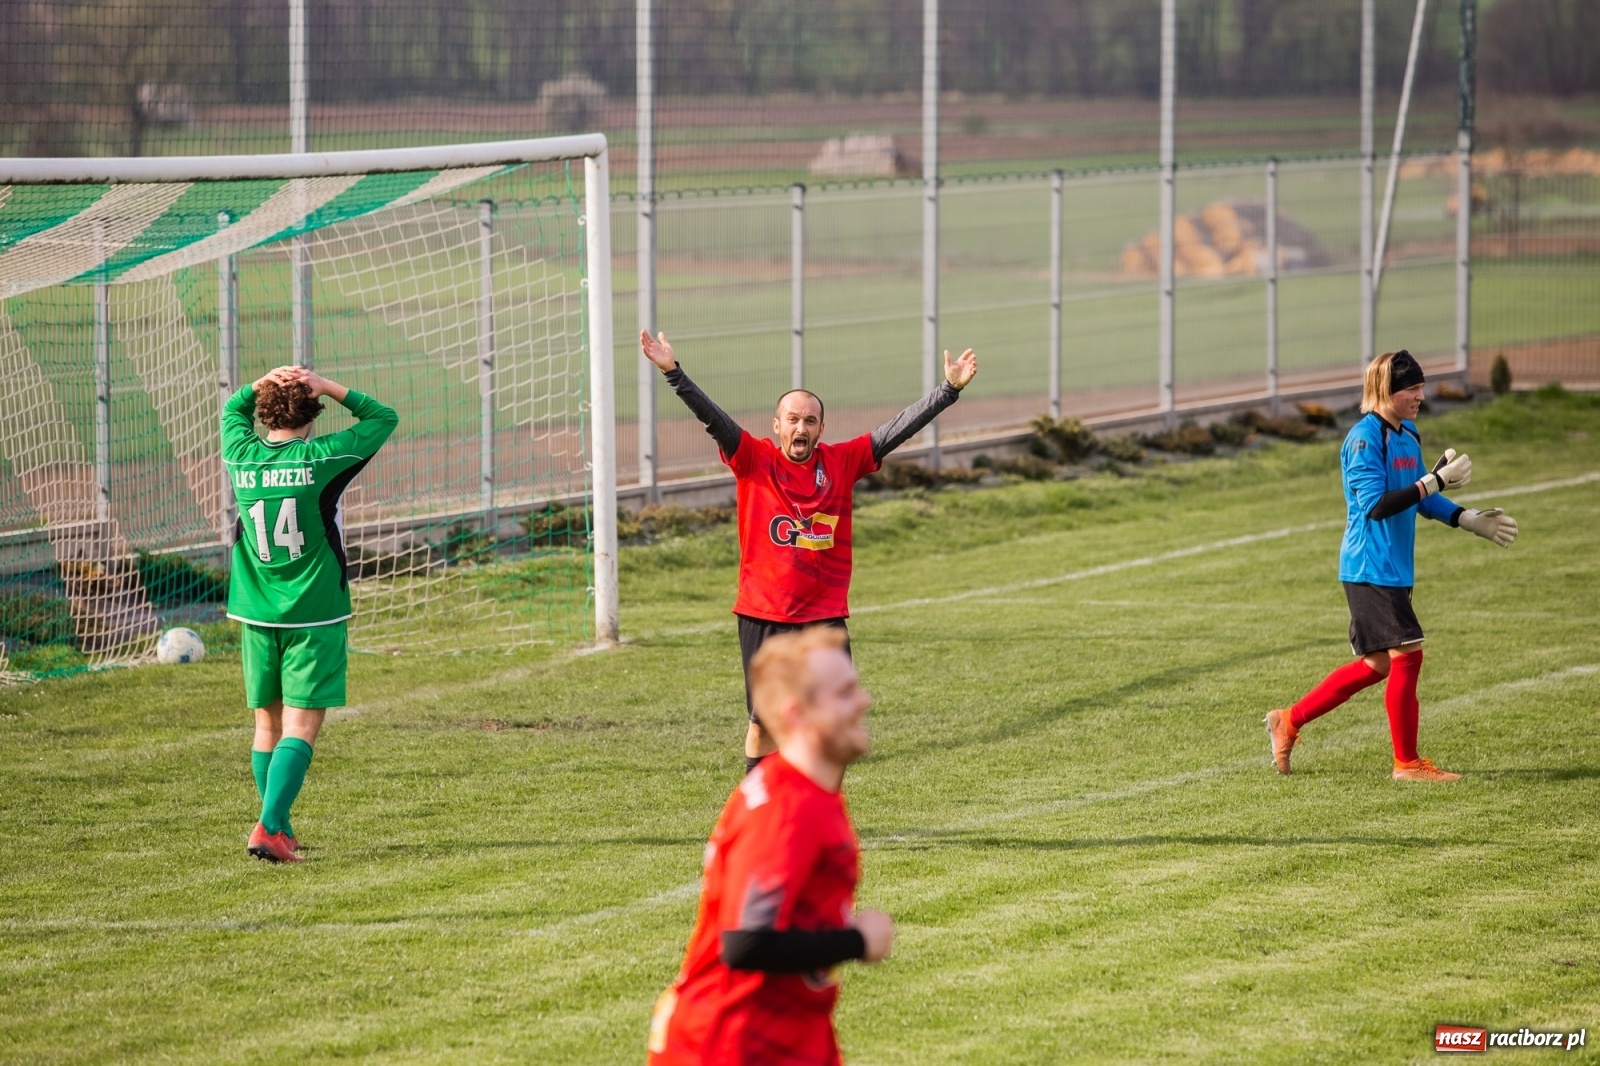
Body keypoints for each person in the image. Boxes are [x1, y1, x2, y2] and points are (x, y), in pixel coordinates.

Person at [640, 329, 978, 772]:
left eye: (810, 421)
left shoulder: (842, 462)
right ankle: (759, 809)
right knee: (763, 723)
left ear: (822, 428)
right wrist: (673, 373)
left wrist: (947, 390)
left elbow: (895, 431)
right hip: (764, 613)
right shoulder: (752, 459)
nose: (801, 428)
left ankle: (818, 813)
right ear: (777, 425)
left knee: (831, 723)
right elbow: (714, 420)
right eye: (793, 419)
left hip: (823, 616)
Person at [1265, 350, 1518, 782]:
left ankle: (1288, 720)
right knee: (1408, 654)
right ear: (1387, 390)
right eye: (1412, 389)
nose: (1421, 395)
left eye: (1421, 387)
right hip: (1369, 566)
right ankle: (1407, 763)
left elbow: (1420, 496)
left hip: (1394, 567)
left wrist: (1466, 518)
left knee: (1378, 665)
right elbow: (1377, 506)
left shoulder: (1408, 434)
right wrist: (1434, 479)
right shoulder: (1364, 439)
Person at [648, 626, 893, 1066]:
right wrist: (857, 940)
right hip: (735, 1043)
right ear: (797, 714)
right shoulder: (787, 811)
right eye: (844, 693)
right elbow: (746, 942)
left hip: (791, 1033)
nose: (863, 702)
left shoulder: (810, 789)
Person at [221, 365, 398, 862]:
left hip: (255, 613)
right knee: (300, 726)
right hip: (314, 613)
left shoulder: (240, 452)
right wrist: (330, 386)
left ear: (263, 410)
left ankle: (278, 824)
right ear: (312, 411)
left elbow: (231, 410)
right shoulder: (322, 457)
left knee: (267, 726)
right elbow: (383, 417)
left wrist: (259, 384)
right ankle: (271, 827)